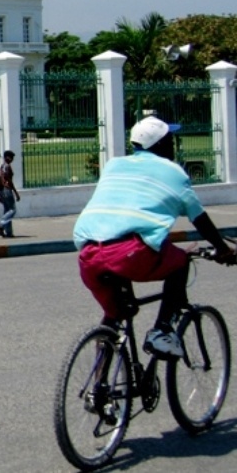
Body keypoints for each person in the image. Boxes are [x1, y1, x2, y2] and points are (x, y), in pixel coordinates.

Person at [73, 116, 234, 359]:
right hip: (129, 253)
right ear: (160, 145)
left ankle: (100, 381)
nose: (174, 144)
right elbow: (199, 218)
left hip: (89, 255)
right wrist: (223, 249)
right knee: (180, 261)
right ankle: (161, 331)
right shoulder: (174, 173)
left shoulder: (114, 165)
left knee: (116, 316)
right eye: (170, 140)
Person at [0, 149, 20, 238]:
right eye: (10, 157)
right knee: (12, 210)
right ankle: (0, 223)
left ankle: (8, 232)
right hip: (7, 189)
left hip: (1, 190)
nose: (12, 159)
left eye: (12, 157)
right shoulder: (7, 167)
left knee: (7, 211)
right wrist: (16, 193)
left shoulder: (1, 167)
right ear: (6, 157)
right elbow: (9, 181)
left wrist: (0, 195)